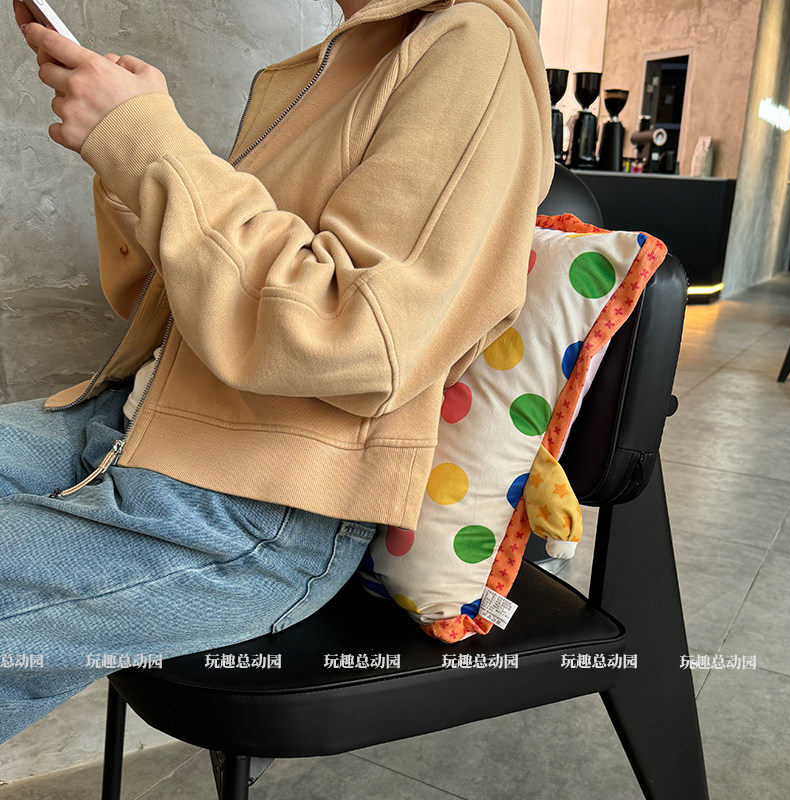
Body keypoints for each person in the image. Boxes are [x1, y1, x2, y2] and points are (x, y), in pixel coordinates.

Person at [2, 0, 553, 745]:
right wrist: (130, 153)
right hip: (131, 424)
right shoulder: (348, 60)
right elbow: (190, 301)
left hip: (252, 504)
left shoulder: (470, 46)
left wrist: (151, 148)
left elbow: (360, 338)